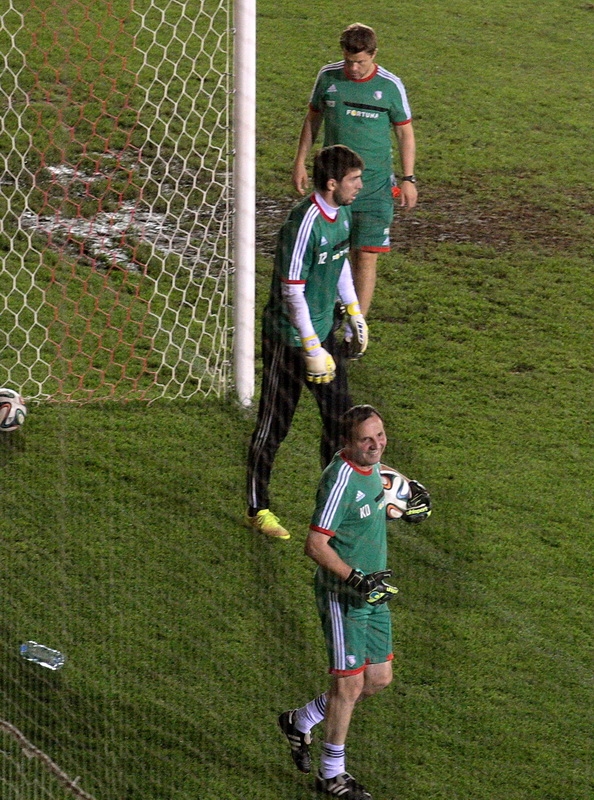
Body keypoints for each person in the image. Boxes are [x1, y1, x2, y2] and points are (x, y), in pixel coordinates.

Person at [245, 145, 370, 540]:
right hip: (289, 339)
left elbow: (339, 264)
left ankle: (337, 501)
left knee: (340, 419)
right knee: (274, 425)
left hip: (322, 333)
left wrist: (352, 311)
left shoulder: (343, 212)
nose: (360, 186)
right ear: (332, 183)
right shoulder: (304, 223)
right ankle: (257, 508)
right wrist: (311, 348)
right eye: (354, 180)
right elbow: (290, 290)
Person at [278, 404, 398, 800]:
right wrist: (353, 578)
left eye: (380, 435)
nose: (376, 445)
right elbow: (315, 544)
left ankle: (302, 720)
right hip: (344, 595)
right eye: (367, 439)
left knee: (378, 679)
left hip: (374, 591)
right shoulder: (340, 479)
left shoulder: (370, 469)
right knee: (348, 686)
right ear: (348, 443)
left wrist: (406, 500)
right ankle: (332, 775)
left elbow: (378, 495)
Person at [292, 22, 418, 316]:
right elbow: (312, 120)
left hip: (375, 186)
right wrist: (299, 161)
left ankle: (356, 325)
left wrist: (408, 178)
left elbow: (405, 133)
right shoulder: (328, 77)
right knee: (327, 253)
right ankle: (321, 315)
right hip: (333, 185)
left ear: (374, 54)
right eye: (349, 61)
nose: (354, 69)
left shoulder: (389, 85)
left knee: (366, 255)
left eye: (360, 62)